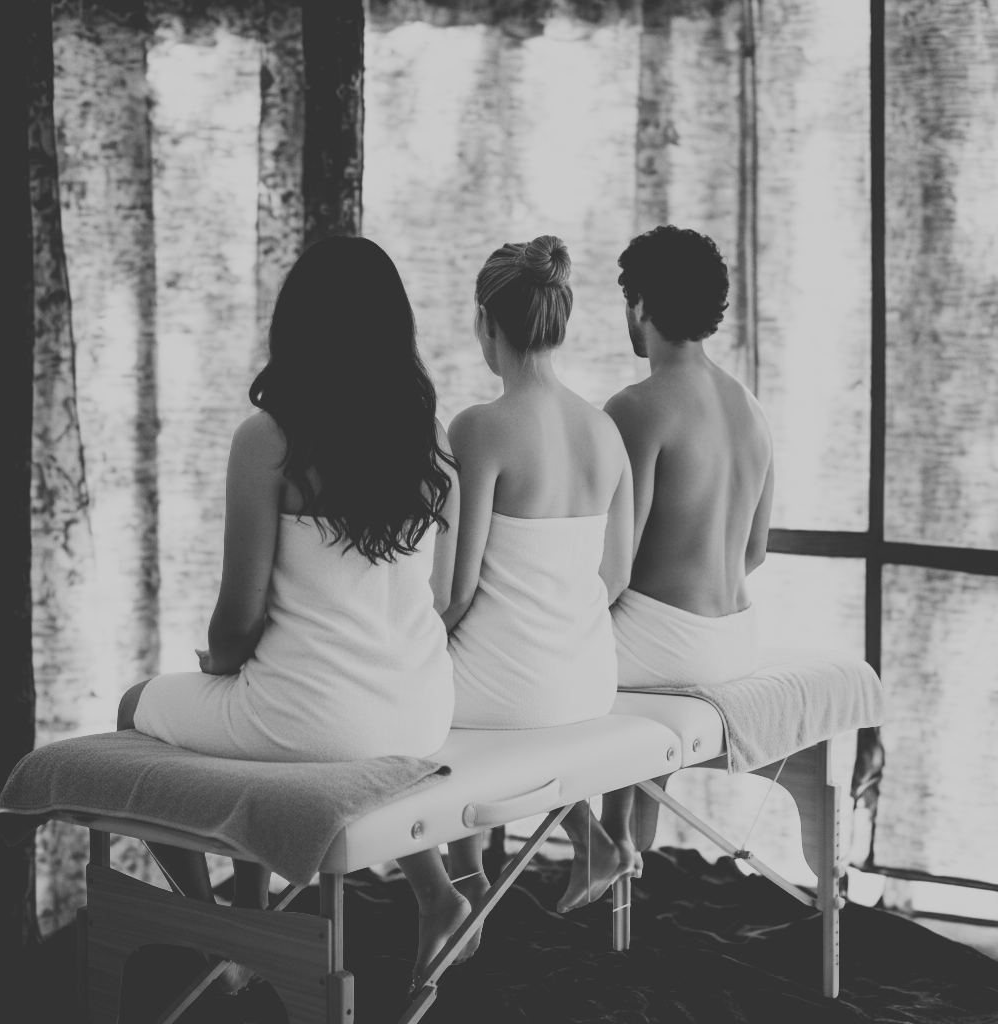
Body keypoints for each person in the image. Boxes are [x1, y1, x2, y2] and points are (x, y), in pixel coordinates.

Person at [116, 236, 466, 992]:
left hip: (318, 721)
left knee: (136, 705)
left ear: (296, 327)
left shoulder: (268, 441)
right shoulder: (432, 439)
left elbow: (238, 622)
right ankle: (432, 897)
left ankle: (219, 930)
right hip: (422, 710)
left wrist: (217, 665)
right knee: (278, 701)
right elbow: (435, 599)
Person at [561, 224, 774, 908]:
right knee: (614, 638)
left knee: (518, 663)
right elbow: (755, 552)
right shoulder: (749, 407)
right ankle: (625, 838)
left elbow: (614, 568)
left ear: (641, 305)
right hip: (737, 637)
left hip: (668, 646)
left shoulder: (637, 407)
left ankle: (595, 841)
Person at [439, 235, 635, 931]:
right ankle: (591, 839)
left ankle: (466, 885)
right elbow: (616, 576)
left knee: (420, 691)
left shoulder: (478, 428)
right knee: (526, 683)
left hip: (503, 694)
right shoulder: (605, 431)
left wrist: (417, 642)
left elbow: (455, 594)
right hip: (588, 682)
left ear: (486, 323)